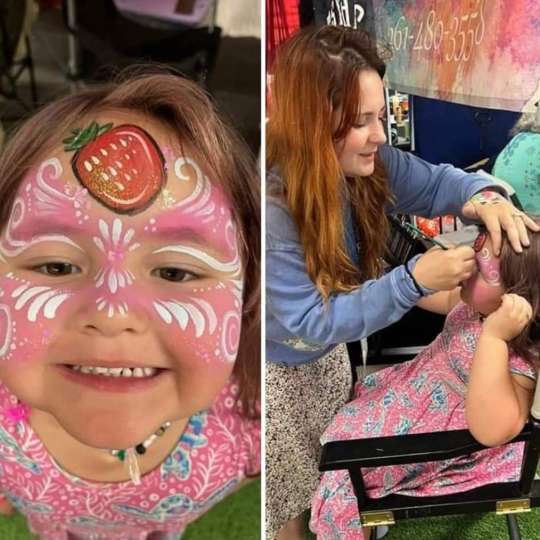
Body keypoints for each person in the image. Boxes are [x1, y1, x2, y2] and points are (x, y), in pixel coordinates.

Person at [265, 25, 539, 540]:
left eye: (379, 114)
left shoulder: (496, 334)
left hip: (333, 371)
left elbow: (439, 183)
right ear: (313, 124)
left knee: (326, 475)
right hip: (279, 374)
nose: (381, 135)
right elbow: (306, 322)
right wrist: (410, 282)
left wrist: (488, 198)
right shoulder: (276, 206)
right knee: (289, 501)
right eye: (361, 121)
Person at [0, 70, 260, 539]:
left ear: (248, 293)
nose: (111, 312)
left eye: (177, 272)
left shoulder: (250, 426)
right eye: (56, 266)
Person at [310, 222, 540, 539]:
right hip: (414, 398)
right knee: (339, 438)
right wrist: (394, 280)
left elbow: (491, 429)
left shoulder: (517, 355)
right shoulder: (477, 306)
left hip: (450, 438)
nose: (469, 265)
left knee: (343, 477)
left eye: (484, 268)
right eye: (476, 252)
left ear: (519, 300)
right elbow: (436, 298)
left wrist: (494, 339)